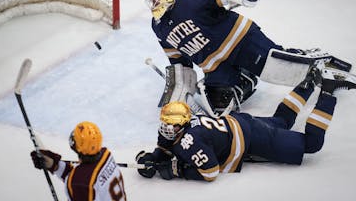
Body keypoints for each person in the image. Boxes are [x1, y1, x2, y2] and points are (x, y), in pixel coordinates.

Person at [144, 0, 352, 115]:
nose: (152, 4)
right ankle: (246, 77)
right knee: (221, 108)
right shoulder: (158, 27)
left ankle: (320, 63)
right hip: (216, 68)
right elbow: (179, 62)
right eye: (150, 0)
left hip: (241, 42)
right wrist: (179, 91)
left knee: (281, 69)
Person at [135, 64, 356, 181]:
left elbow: (210, 171)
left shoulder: (191, 141)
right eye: (165, 122)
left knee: (312, 144)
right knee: (282, 120)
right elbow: (165, 147)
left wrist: (177, 170)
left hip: (249, 138)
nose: (166, 128)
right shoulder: (178, 130)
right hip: (240, 124)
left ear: (183, 124)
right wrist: (152, 158)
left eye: (171, 124)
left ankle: (327, 89)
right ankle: (309, 82)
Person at [30, 121, 127, 201]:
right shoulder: (106, 154)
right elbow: (84, 176)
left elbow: (81, 180)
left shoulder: (80, 182)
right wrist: (55, 165)